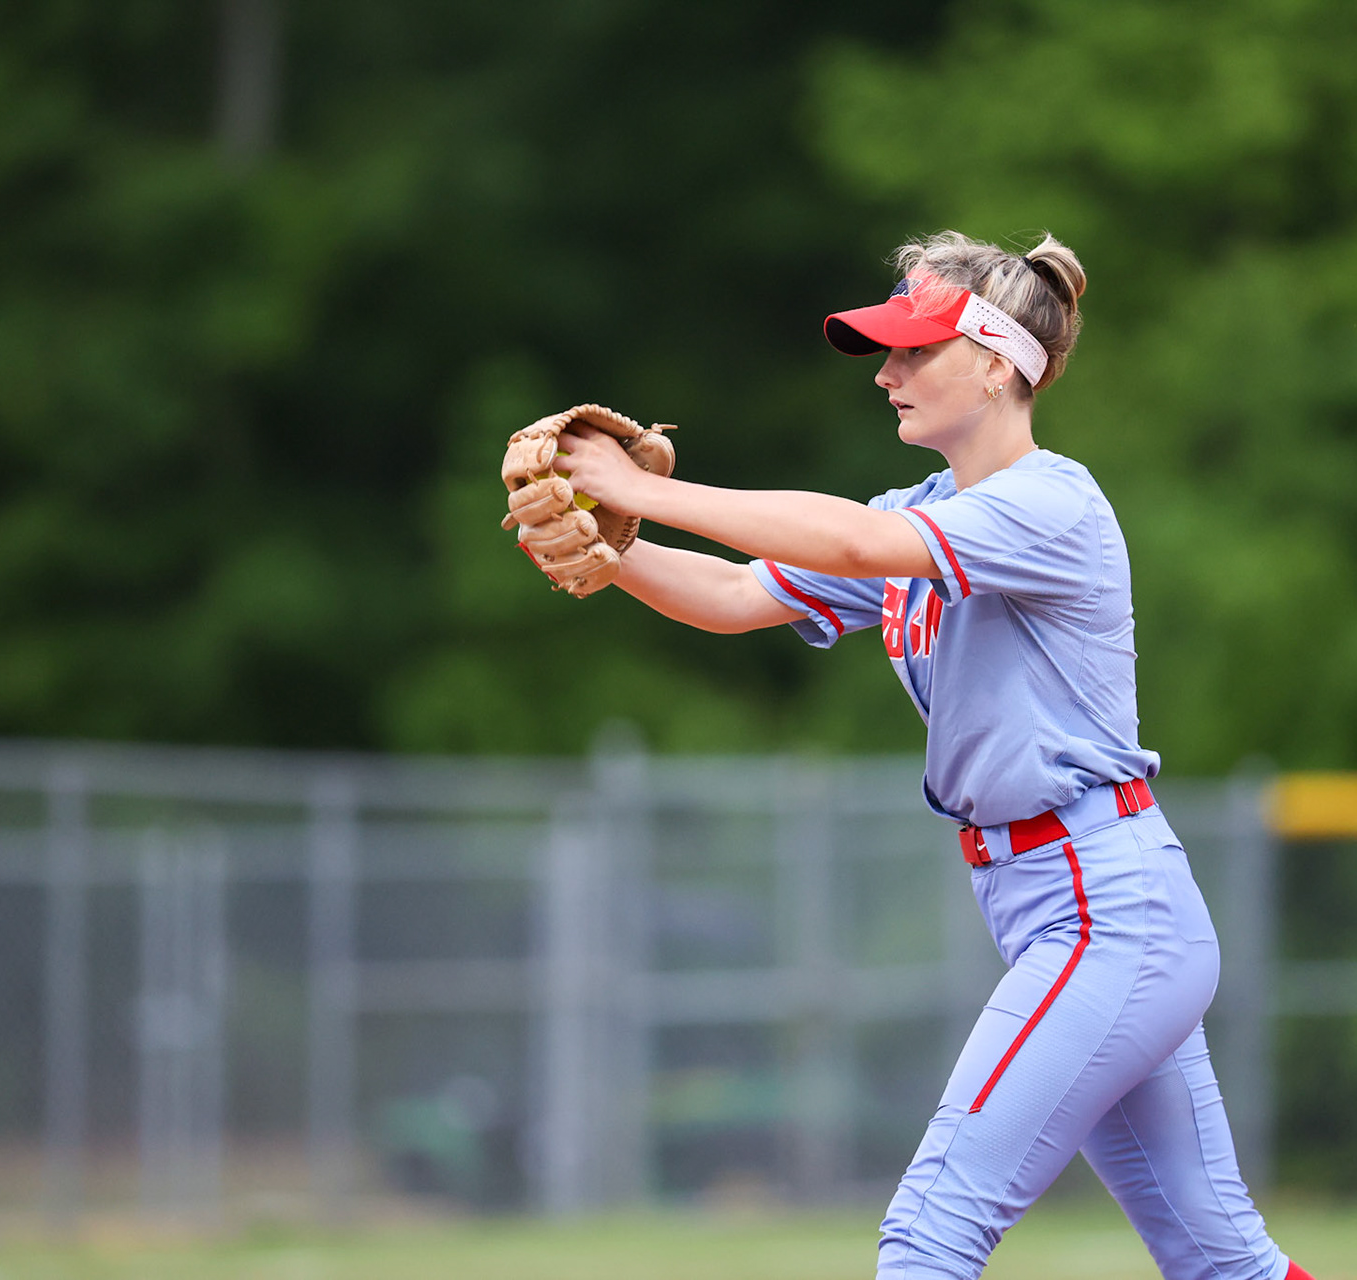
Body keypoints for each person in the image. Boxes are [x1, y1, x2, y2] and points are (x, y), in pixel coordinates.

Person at [540, 230, 1314, 1280]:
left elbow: (851, 546)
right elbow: (733, 595)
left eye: (914, 349)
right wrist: (616, 547)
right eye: (885, 352)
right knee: (1226, 1263)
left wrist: (647, 494)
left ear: (998, 362)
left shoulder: (1053, 504)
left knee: (929, 1233)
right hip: (1064, 907)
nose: (889, 372)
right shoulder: (926, 517)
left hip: (1105, 911)